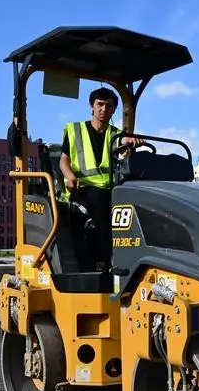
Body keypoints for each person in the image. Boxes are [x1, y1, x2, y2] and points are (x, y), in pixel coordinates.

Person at [59, 87, 143, 270]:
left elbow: (122, 141)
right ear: (92, 106)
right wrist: (70, 177)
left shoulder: (115, 134)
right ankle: (106, 261)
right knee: (99, 204)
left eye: (109, 106)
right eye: (100, 104)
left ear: (113, 109)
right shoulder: (75, 130)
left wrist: (130, 140)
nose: (104, 109)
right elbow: (63, 161)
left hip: (110, 189)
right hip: (82, 189)